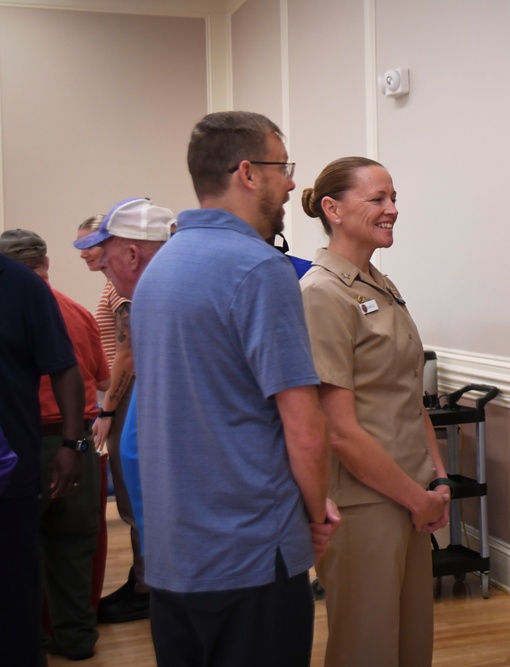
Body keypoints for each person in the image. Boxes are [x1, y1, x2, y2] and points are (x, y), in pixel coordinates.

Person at [129, 111, 339, 667]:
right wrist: (315, 515)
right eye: (283, 167)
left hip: (175, 554)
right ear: (248, 172)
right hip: (251, 553)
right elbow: (305, 425)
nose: (293, 183)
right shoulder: (258, 269)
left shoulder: (159, 269)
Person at [299, 157, 450, 667]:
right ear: (332, 209)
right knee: (366, 648)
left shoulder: (379, 285)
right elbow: (339, 430)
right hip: (364, 503)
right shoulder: (321, 293)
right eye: (378, 199)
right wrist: (416, 497)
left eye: (393, 198)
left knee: (412, 647)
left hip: (412, 495)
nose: (393, 210)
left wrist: (438, 481)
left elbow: (408, 395)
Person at [0, 229, 110, 661]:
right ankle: (77, 639)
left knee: (29, 556)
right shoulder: (76, 311)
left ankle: (34, 642)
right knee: (72, 549)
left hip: (33, 446)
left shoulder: (25, 295)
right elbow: (99, 377)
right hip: (70, 439)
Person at [74, 213, 148, 624]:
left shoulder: (121, 292)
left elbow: (129, 353)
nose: (85, 254)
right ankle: (143, 580)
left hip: (127, 394)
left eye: (92, 245)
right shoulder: (113, 286)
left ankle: (146, 587)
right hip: (122, 395)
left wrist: (106, 410)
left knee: (134, 492)